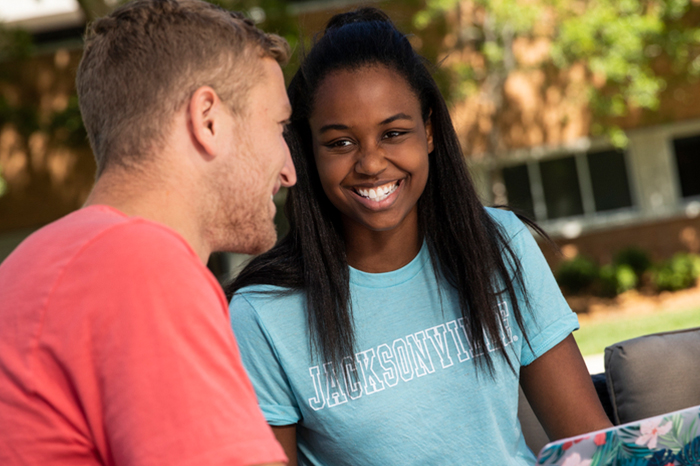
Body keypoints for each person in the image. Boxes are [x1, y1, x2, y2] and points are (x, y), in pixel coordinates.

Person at [227, 7, 612, 466]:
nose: (370, 163)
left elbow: (593, 447)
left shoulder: (498, 245)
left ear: (428, 131)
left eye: (393, 132)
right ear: (309, 151)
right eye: (340, 143)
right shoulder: (264, 313)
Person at [0, 0, 295, 464]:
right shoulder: (140, 267)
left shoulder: (33, 264)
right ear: (208, 120)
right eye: (279, 126)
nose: (289, 170)